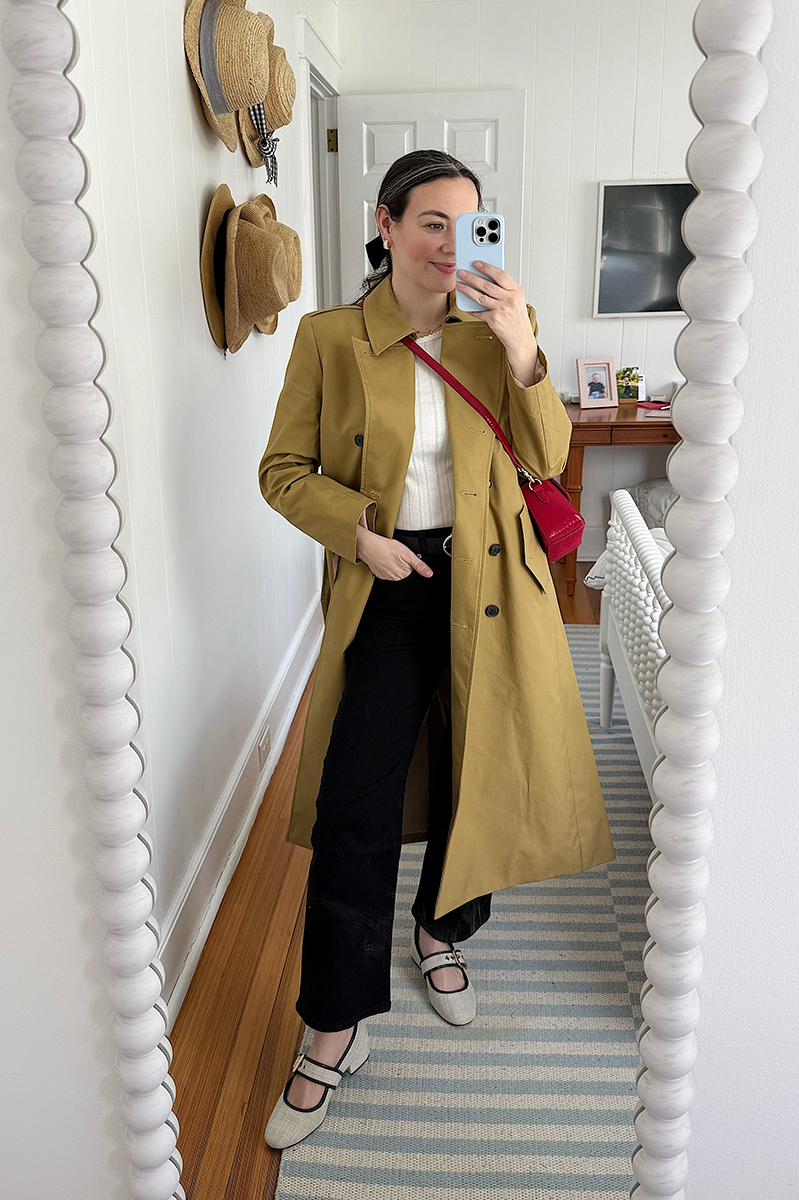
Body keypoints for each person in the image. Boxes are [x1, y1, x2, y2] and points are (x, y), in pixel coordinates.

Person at [259, 150, 616, 1149]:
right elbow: (282, 470)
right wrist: (358, 533)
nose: (450, 244)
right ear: (384, 224)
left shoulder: (502, 332)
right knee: (353, 805)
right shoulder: (331, 339)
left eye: (469, 224)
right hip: (385, 585)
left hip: (489, 585)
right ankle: (334, 1027)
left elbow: (544, 459)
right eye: (429, 222)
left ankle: (444, 932)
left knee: (480, 773)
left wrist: (521, 352)